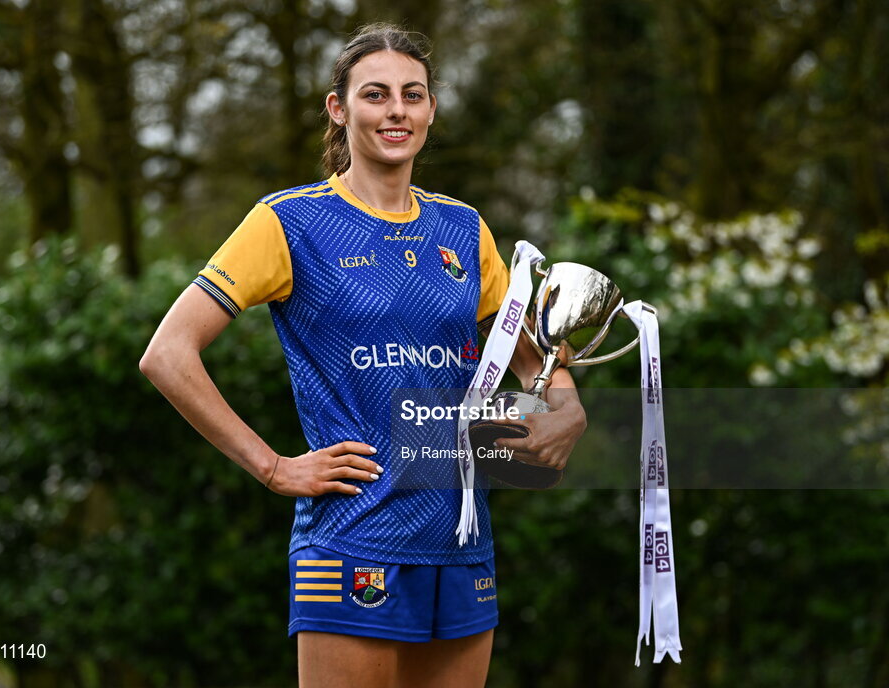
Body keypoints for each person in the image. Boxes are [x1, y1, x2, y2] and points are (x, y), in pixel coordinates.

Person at [139, 23, 586, 688]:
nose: (396, 110)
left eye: (413, 94)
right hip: (352, 539)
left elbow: (533, 358)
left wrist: (566, 404)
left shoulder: (464, 230)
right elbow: (167, 354)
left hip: (461, 545)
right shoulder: (289, 222)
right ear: (339, 108)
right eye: (375, 94)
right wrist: (271, 467)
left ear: (432, 109)